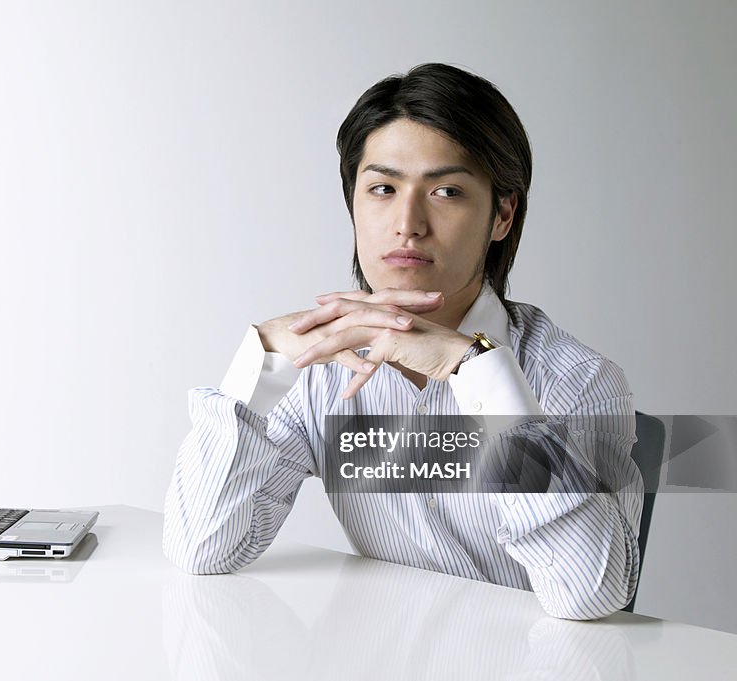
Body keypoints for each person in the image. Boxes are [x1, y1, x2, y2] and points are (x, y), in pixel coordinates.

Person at [162, 63, 643, 620]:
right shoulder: (322, 369)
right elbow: (204, 550)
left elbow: (592, 597)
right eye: (383, 189)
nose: (408, 223)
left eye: (446, 191)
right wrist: (259, 367)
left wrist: (477, 371)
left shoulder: (577, 382)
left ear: (502, 215)